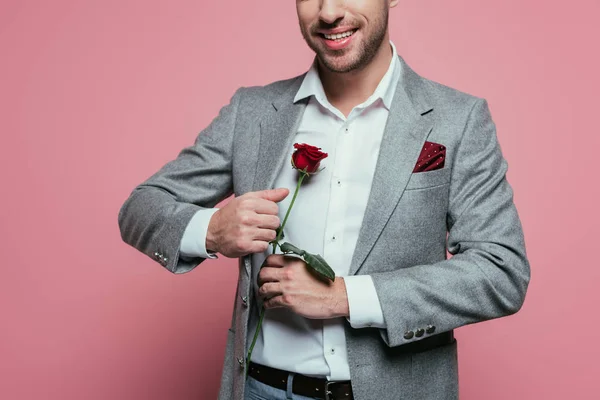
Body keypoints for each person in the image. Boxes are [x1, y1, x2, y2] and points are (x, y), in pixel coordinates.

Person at [118, 0, 530, 399]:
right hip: (260, 389)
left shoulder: (457, 120)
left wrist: (345, 297)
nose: (329, 12)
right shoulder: (253, 112)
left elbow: (500, 271)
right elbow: (141, 207)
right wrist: (211, 230)